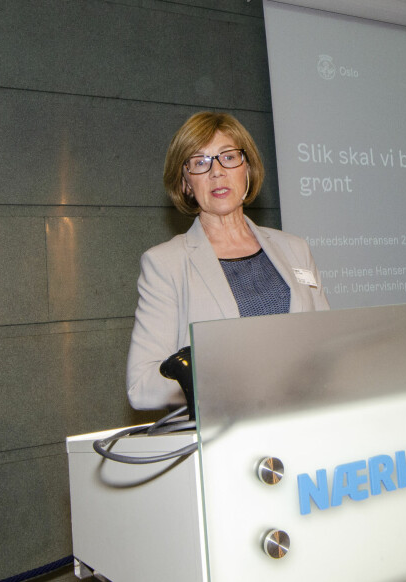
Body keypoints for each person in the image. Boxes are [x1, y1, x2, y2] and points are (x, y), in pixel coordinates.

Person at [126, 112, 330, 409]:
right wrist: (212, 380)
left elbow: (327, 341)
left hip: (308, 421)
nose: (217, 172)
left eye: (228, 157)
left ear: (247, 168)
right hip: (228, 436)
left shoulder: (295, 249)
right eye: (200, 163)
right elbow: (140, 386)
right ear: (185, 184)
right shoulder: (165, 264)